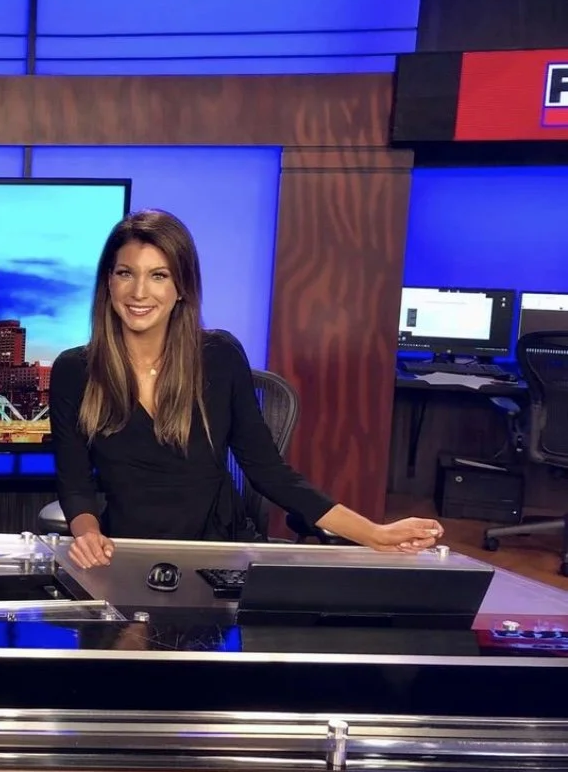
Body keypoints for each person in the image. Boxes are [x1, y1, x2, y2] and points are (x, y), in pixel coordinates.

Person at [51, 209, 443, 568]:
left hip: (217, 549)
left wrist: (373, 533)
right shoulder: (75, 370)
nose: (139, 292)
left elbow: (268, 471)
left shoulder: (218, 356)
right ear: (108, 281)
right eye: (126, 273)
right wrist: (88, 535)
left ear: (182, 287)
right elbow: (76, 485)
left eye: (159, 275)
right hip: (123, 552)